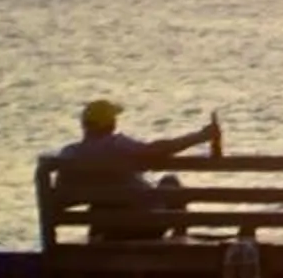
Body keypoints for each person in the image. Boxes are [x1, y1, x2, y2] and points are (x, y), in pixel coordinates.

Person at [55, 98, 219, 241]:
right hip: (144, 225)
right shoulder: (117, 145)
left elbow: (62, 198)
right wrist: (200, 136)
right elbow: (158, 150)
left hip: (106, 229)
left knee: (101, 205)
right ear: (111, 124)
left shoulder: (70, 153)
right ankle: (178, 241)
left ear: (84, 125)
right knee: (170, 182)